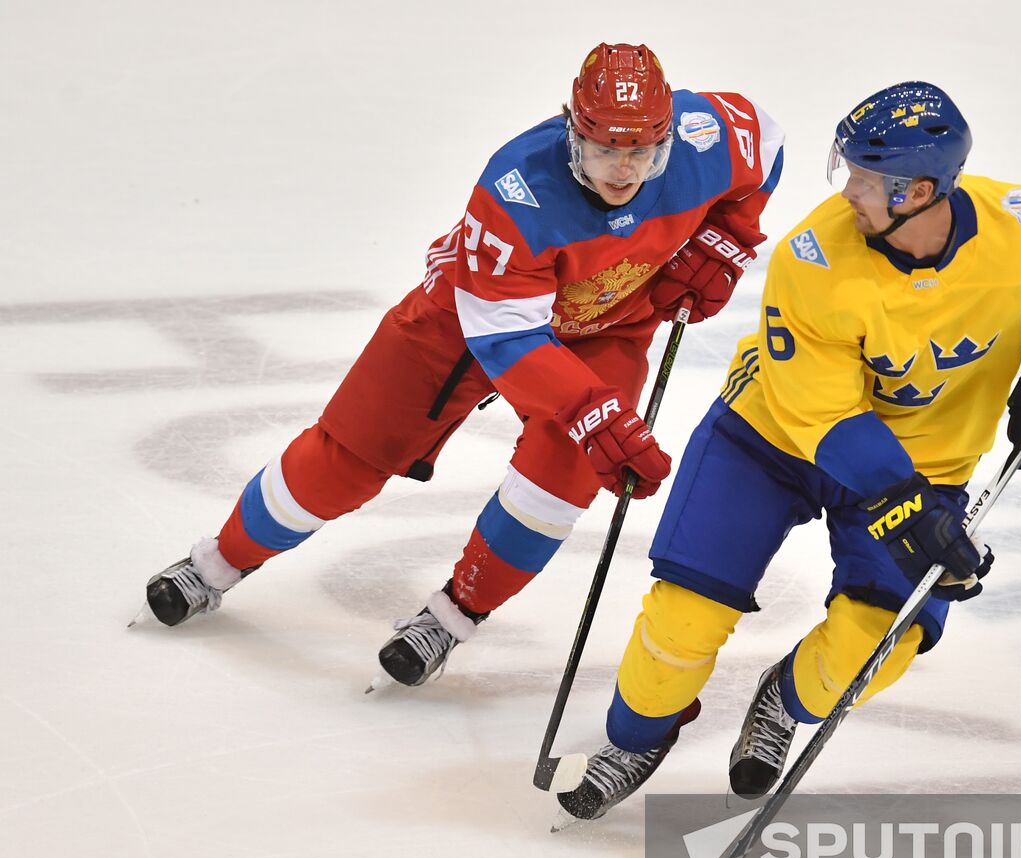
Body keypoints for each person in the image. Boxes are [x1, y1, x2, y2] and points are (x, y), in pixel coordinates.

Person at [557, 81, 1021, 820]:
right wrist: (906, 505)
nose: (846, 191)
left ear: (919, 190)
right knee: (682, 623)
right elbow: (819, 411)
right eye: (848, 168)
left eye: (865, 178)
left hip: (925, 460)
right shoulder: (815, 258)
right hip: (767, 440)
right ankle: (636, 737)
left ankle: (782, 699)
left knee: (878, 646)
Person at [141, 43, 784, 688]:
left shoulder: (706, 140)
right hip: (468, 318)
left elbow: (770, 145)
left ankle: (451, 618)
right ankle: (220, 562)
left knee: (559, 483)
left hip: (608, 325)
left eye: (640, 153)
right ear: (571, 134)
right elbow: (508, 341)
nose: (622, 171)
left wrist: (728, 234)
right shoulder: (517, 190)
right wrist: (592, 413)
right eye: (601, 151)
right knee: (351, 460)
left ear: (667, 139)